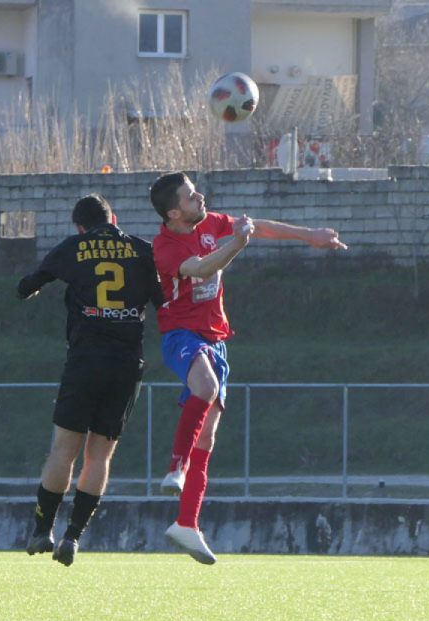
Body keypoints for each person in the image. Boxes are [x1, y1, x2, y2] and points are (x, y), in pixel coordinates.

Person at [149, 171, 347, 564]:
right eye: (190, 196)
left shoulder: (209, 222)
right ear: (174, 213)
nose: (199, 197)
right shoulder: (165, 245)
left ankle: (187, 524)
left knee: (207, 437)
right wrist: (237, 245)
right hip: (182, 335)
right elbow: (201, 268)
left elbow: (259, 226)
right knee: (205, 386)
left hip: (215, 339)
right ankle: (176, 468)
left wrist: (309, 235)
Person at [18, 194, 162, 566]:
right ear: (113, 218)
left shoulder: (74, 247)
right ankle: (73, 536)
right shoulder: (142, 250)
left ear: (80, 227)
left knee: (63, 450)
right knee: (99, 455)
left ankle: (42, 530)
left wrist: (33, 285)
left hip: (85, 360)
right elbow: (164, 302)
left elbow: (28, 286)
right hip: (126, 364)